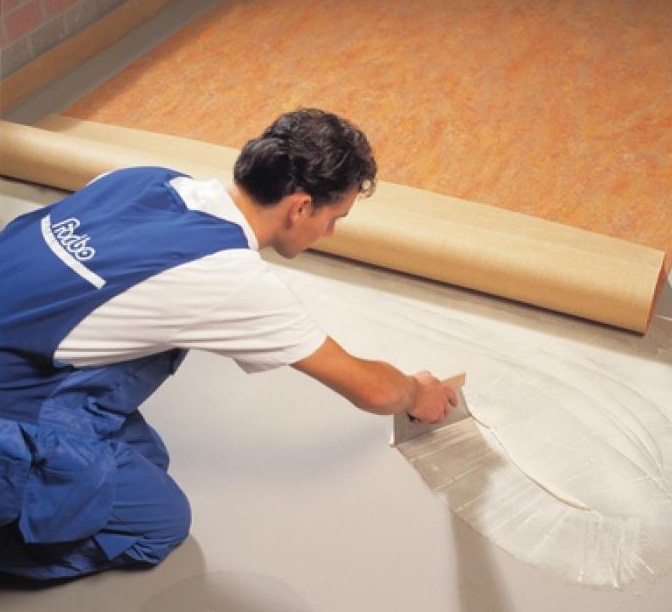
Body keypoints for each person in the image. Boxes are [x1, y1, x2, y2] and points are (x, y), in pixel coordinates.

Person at [0, 108, 458, 581]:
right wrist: (415, 391)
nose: (330, 233)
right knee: (156, 521)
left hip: (27, 365)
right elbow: (374, 391)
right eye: (334, 218)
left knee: (146, 463)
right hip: (10, 410)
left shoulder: (144, 180)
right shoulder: (229, 277)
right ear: (301, 207)